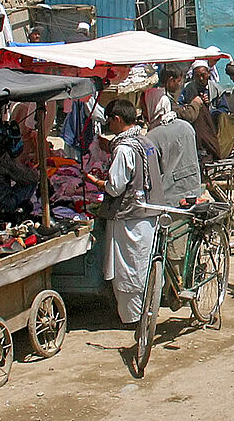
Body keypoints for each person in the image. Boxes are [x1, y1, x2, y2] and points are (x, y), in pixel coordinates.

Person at [85, 99, 162, 324]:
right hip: (148, 214)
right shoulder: (145, 142)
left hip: (129, 217)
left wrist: (97, 182)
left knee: (129, 269)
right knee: (143, 265)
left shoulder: (124, 148)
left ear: (117, 119)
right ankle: (145, 312)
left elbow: (115, 186)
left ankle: (133, 318)